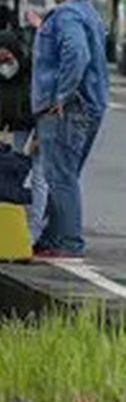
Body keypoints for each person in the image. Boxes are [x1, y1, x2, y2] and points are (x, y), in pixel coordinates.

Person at [30, 0, 109, 259]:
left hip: (67, 109)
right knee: (63, 173)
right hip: (89, 106)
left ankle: (68, 241)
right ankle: (52, 236)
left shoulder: (66, 16)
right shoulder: (90, 13)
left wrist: (61, 94)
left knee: (60, 175)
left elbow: (77, 53)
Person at [0, 19, 47, 243]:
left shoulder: (30, 77)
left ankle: (35, 230)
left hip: (32, 126)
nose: (4, 63)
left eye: (7, 57)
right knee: (14, 176)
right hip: (16, 128)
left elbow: (38, 106)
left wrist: (39, 134)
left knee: (37, 174)